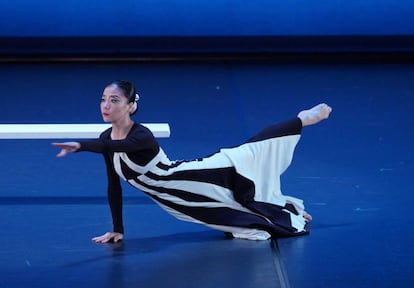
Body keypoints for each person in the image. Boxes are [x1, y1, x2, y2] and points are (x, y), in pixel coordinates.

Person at [52, 80, 332, 243]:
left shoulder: (142, 136)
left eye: (114, 100)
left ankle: (301, 120)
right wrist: (117, 229)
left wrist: (79, 146)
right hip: (172, 196)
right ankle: (280, 206)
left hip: (183, 178)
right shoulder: (105, 136)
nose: (106, 105)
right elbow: (113, 185)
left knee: (243, 157)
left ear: (130, 106)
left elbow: (113, 146)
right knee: (228, 208)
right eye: (103, 99)